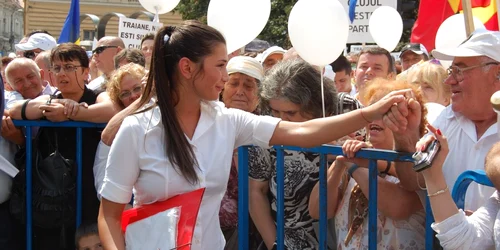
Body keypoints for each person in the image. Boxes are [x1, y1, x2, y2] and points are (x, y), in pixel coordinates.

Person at [97, 21, 409, 250]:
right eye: (220, 66)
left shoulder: (228, 121)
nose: (225, 78)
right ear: (187, 68)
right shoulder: (137, 130)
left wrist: (369, 113)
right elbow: (110, 215)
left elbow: (301, 131)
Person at [248, 59, 359, 250]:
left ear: (314, 104)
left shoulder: (346, 110)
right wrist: (275, 244)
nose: (281, 120)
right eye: (275, 111)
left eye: (291, 112)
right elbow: (256, 191)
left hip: (346, 238)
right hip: (290, 242)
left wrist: (339, 150)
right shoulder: (264, 126)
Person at [384, 29, 500, 211]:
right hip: (445, 240)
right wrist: (404, 139)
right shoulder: (445, 119)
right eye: (450, 71)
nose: (449, 81)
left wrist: (483, 229)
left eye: (459, 71)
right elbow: (413, 182)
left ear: (497, 73)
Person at [309, 79, 427, 250]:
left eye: (386, 111)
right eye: (372, 110)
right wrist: (341, 162)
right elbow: (317, 210)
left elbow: (398, 207)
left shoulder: (417, 163)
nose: (375, 117)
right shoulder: (353, 153)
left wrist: (355, 165)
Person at [219, 56, 264, 249]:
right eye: (234, 83)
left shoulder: (268, 129)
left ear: (259, 95)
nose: (240, 92)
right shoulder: (206, 122)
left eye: (248, 86)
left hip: (253, 231)